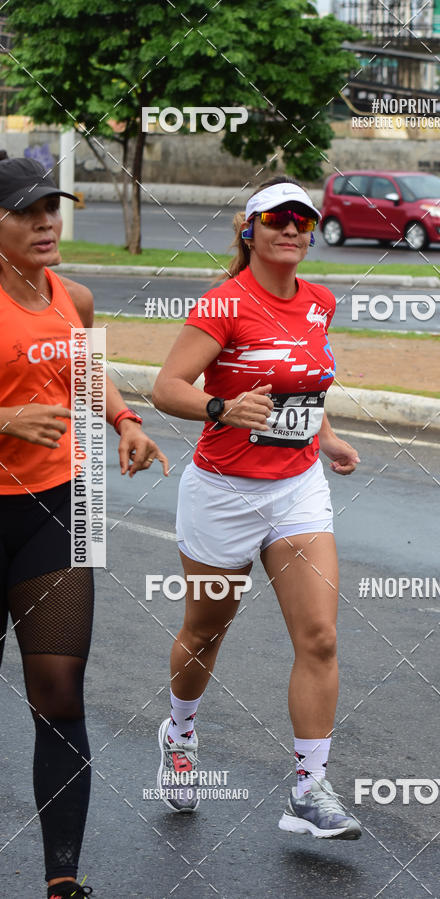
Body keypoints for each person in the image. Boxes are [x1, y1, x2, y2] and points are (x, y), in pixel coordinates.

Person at [152, 176, 362, 839]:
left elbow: (308, 385)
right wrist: (221, 406)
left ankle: (310, 786)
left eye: (303, 220)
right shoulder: (224, 305)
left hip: (296, 488)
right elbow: (165, 386)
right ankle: (180, 731)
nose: (293, 230)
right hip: (223, 492)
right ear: (250, 229)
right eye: (278, 220)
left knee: (320, 636)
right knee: (207, 629)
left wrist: (325, 438)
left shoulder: (320, 302)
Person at [0, 157, 168, 898]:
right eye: (27, 211)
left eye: (51, 209)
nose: (45, 223)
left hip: (55, 505)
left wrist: (126, 421)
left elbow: (85, 369)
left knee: (60, 692)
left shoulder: (74, 295)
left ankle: (62, 879)